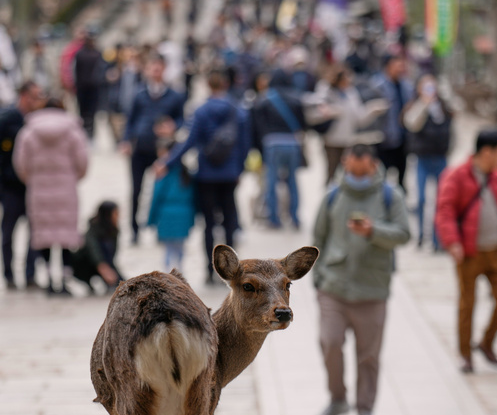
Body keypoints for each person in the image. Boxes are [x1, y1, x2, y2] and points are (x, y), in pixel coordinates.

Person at [312, 144, 412, 415]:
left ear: (372, 164)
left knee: (368, 355)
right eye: (350, 164)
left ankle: (365, 410)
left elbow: (405, 233)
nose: (354, 170)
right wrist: (319, 277)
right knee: (330, 342)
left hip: (372, 287)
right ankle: (337, 398)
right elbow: (318, 238)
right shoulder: (333, 195)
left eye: (360, 165)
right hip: (334, 285)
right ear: (344, 162)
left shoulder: (390, 196)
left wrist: (373, 231)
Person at [435, 129, 497, 374]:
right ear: (487, 151)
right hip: (469, 252)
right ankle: (465, 355)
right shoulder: (457, 176)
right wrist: (452, 242)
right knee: (467, 304)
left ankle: (486, 342)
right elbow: (445, 211)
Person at [156, 68, 252, 286]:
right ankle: (232, 269)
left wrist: (166, 162)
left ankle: (211, 270)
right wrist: (240, 168)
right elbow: (245, 143)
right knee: (229, 220)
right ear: (225, 85)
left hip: (207, 174)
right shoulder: (238, 111)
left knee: (208, 223)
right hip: (229, 174)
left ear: (208, 85)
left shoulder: (200, 111)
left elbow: (188, 143)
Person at [13, 96, 89, 296]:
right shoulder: (73, 132)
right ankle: (64, 281)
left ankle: (47, 280)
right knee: (65, 238)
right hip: (66, 190)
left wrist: (34, 179)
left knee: (44, 238)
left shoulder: (28, 132)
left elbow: (21, 164)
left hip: (39, 191)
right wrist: (71, 177)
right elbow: (83, 162)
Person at [0, 81, 47, 290]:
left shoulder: (40, 121)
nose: (37, 101)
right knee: (7, 234)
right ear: (24, 96)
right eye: (34, 96)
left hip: (34, 186)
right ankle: (8, 275)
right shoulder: (7, 119)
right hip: (11, 187)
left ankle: (30, 274)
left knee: (36, 233)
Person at [120, 55, 186, 244]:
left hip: (163, 150)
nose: (155, 72)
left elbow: (182, 119)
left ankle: (160, 228)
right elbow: (130, 120)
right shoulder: (139, 94)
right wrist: (125, 140)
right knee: (136, 190)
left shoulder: (175, 95)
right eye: (152, 68)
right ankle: (134, 230)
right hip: (140, 148)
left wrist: (173, 126)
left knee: (163, 191)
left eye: (159, 68)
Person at [311, 67, 388, 186]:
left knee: (347, 172)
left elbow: (359, 118)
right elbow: (315, 113)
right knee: (332, 171)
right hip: (331, 139)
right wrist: (331, 111)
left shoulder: (351, 93)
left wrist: (372, 110)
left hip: (347, 139)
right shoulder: (326, 92)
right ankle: (330, 198)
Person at [251, 71, 307, 228]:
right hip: (292, 144)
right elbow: (302, 125)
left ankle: (274, 219)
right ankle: (294, 217)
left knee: (271, 181)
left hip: (272, 144)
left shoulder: (264, 99)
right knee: (292, 182)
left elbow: (258, 127)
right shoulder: (296, 98)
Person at [403, 73, 453, 249]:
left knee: (441, 200)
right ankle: (421, 236)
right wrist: (424, 103)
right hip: (422, 159)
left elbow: (452, 125)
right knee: (422, 199)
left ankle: (437, 239)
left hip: (440, 158)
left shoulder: (444, 107)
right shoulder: (416, 106)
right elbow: (411, 123)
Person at [147, 118, 196, 271]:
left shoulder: (163, 175)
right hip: (184, 214)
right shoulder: (187, 173)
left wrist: (151, 219)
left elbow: (156, 197)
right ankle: (180, 269)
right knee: (180, 247)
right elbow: (195, 198)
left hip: (165, 214)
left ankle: (169, 272)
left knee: (168, 249)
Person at [372, 53, 414, 192]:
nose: (401, 69)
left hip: (403, 139)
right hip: (383, 139)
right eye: (397, 65)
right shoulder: (377, 86)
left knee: (402, 176)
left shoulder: (407, 86)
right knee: (381, 177)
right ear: (388, 67)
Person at [72, 201, 124, 292]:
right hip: (86, 265)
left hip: (106, 264)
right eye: (115, 213)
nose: (118, 216)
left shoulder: (113, 231)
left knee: (123, 284)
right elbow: (94, 250)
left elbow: (112, 255)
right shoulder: (92, 231)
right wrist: (103, 268)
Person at [73, 28, 104, 140]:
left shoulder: (97, 53)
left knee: (92, 112)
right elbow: (76, 71)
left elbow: (101, 69)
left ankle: (91, 132)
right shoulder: (80, 54)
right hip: (82, 87)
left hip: (94, 87)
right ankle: (83, 132)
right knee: (82, 111)